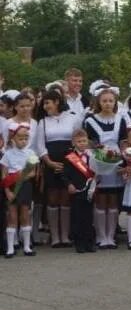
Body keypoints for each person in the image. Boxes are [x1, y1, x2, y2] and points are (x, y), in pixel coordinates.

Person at [35, 89, 83, 248]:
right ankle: (55, 236)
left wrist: (72, 161)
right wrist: (48, 162)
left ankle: (65, 236)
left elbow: (78, 139)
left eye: (48, 102)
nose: (45, 106)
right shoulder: (42, 122)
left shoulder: (72, 118)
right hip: (51, 162)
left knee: (66, 197)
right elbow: (40, 145)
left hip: (69, 162)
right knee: (53, 198)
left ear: (57, 101)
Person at [84, 86, 127, 249]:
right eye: (104, 101)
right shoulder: (90, 121)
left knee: (113, 200)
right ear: (98, 102)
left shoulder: (120, 119)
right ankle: (101, 236)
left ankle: (111, 236)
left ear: (115, 102)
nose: (108, 104)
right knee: (101, 200)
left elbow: (123, 142)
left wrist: (124, 159)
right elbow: (89, 144)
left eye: (111, 101)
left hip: (116, 163)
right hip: (98, 163)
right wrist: (99, 156)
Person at [2, 123, 38, 257]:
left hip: (25, 186)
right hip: (11, 187)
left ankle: (27, 246)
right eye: (20, 138)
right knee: (12, 215)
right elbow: (4, 175)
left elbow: (33, 172)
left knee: (25, 214)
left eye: (26, 138)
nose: (23, 141)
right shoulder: (7, 154)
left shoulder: (31, 153)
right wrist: (7, 191)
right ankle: (10, 248)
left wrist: (21, 177)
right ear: (13, 138)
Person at [61, 129, 96, 253]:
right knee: (77, 217)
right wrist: (69, 184)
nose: (82, 143)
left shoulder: (92, 155)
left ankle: (89, 242)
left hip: (90, 190)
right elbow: (64, 175)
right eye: (79, 141)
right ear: (73, 143)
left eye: (84, 141)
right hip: (76, 190)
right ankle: (79, 243)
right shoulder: (70, 157)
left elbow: (97, 171)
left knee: (89, 217)